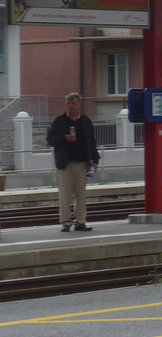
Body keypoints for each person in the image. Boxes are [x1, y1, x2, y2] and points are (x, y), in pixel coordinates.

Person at [46, 92, 100, 232]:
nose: (71, 106)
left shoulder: (86, 121)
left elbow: (91, 141)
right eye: (69, 103)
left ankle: (80, 222)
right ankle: (66, 222)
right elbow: (50, 140)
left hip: (82, 163)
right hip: (65, 163)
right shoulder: (59, 121)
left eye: (73, 103)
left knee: (81, 194)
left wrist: (95, 160)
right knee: (65, 194)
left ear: (79, 104)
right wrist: (64, 138)